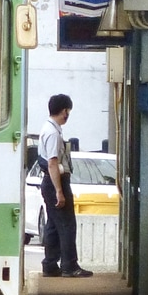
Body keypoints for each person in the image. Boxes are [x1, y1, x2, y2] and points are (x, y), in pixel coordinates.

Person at [39, 93, 92, 278]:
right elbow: (52, 163)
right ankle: (69, 266)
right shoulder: (53, 133)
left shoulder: (49, 128)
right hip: (56, 181)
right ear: (64, 111)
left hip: (49, 182)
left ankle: (50, 264)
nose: (68, 115)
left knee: (53, 225)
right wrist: (59, 191)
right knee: (67, 225)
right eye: (68, 111)